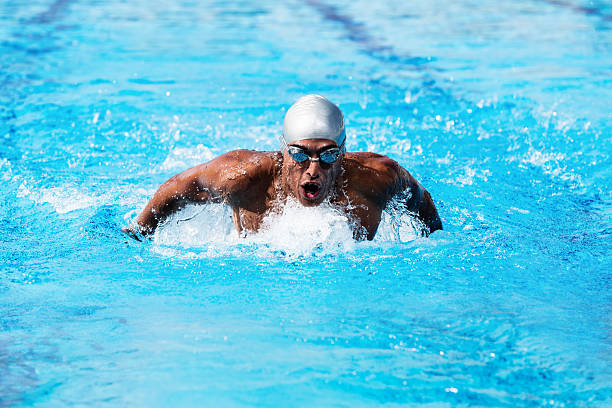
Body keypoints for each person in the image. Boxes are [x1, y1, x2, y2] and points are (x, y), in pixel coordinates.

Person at [125, 94, 441, 241]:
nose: (313, 169)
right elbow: (181, 186)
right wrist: (138, 233)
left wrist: (436, 243)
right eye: (300, 155)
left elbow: (418, 199)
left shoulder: (377, 177)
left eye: (328, 155)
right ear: (283, 151)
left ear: (343, 154)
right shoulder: (243, 178)